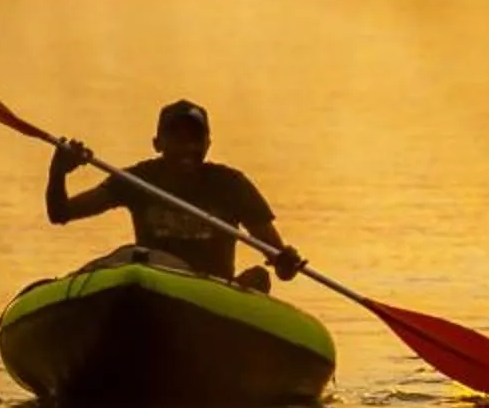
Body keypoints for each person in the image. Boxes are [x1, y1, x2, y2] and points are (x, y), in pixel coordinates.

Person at [47, 99, 304, 290]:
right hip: (153, 283)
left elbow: (280, 264)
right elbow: (61, 213)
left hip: (213, 294)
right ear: (158, 144)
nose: (187, 148)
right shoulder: (137, 180)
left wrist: (286, 260)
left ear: (208, 145)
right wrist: (58, 172)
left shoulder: (231, 185)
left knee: (259, 278)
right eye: (177, 139)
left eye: (195, 139)